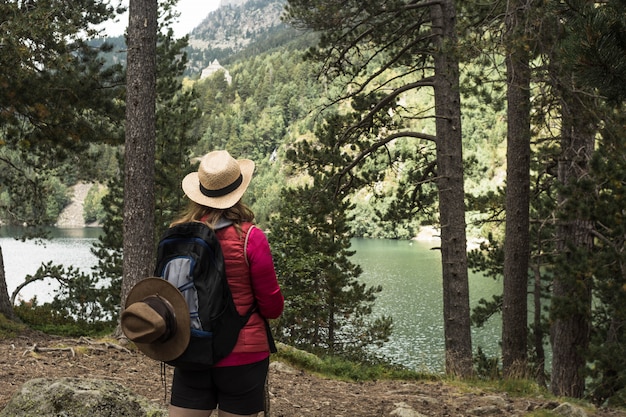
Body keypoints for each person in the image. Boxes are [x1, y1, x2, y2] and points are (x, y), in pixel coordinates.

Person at [169, 150, 284, 417]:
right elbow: (272, 307)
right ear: (238, 192)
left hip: (192, 348)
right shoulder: (251, 237)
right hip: (243, 354)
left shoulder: (180, 233)